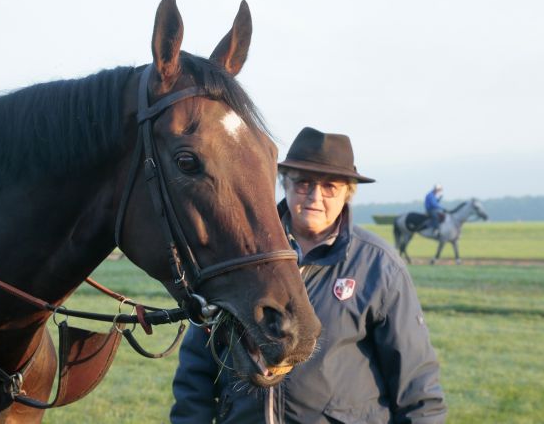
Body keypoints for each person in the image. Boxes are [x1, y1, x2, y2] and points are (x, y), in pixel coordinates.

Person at [170, 127, 447, 424]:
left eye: (330, 187)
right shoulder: (237, 255)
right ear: (284, 184)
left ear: (347, 194)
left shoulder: (380, 266)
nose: (315, 196)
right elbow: (196, 368)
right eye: (303, 183)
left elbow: (417, 387)